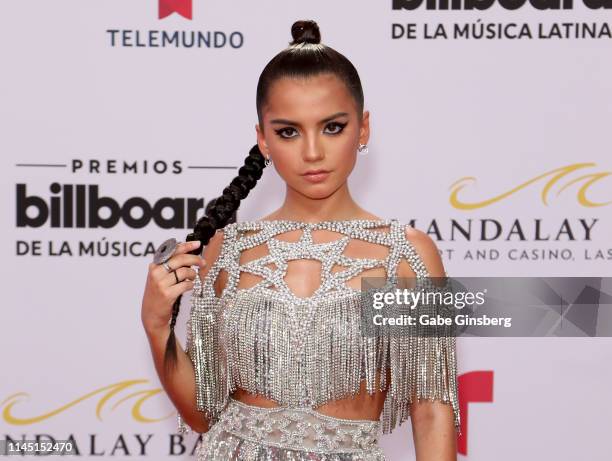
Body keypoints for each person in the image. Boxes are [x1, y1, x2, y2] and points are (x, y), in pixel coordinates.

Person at [141, 19, 460, 461]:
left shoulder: (406, 255)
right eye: (289, 131)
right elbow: (202, 414)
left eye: (332, 127)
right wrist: (157, 326)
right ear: (263, 140)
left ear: (363, 129)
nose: (312, 152)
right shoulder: (228, 249)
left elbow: (431, 408)